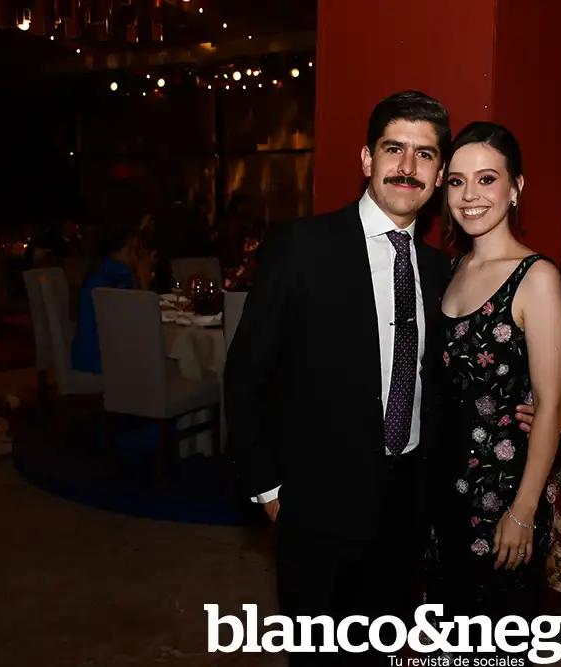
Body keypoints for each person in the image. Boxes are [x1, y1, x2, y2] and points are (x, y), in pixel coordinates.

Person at [224, 92, 534, 666]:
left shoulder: (442, 272)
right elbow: (245, 376)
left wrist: (518, 406)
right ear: (368, 158)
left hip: (408, 510)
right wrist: (267, 489)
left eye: (425, 155)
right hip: (314, 508)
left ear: (439, 175)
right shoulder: (301, 247)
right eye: (395, 149)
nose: (407, 167)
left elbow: (460, 372)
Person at [427, 122, 561, 651]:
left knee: (496, 645)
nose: (471, 195)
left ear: (516, 187)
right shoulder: (450, 269)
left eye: (487, 179)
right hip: (441, 491)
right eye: (457, 181)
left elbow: (550, 405)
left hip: (502, 497)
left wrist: (523, 510)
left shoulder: (536, 278)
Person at [71, 225, 156, 374]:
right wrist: (143, 279)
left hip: (85, 357)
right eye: (138, 248)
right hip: (107, 364)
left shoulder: (100, 273)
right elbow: (143, 322)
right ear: (128, 248)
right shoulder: (121, 278)